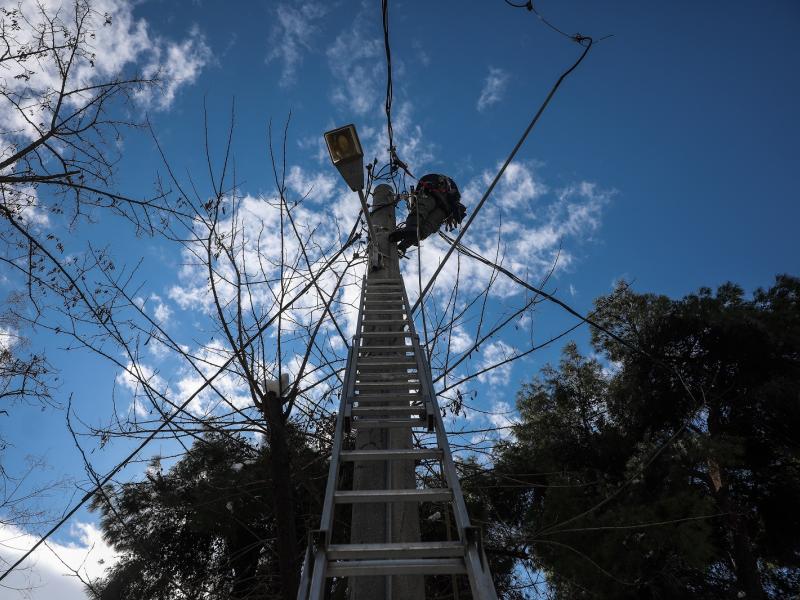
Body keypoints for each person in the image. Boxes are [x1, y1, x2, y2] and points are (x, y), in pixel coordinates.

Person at [389, 173, 466, 252]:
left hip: (434, 195)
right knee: (427, 227)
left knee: (421, 211)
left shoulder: (433, 182)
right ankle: (403, 246)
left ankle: (409, 233)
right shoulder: (453, 196)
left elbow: (421, 207)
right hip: (445, 208)